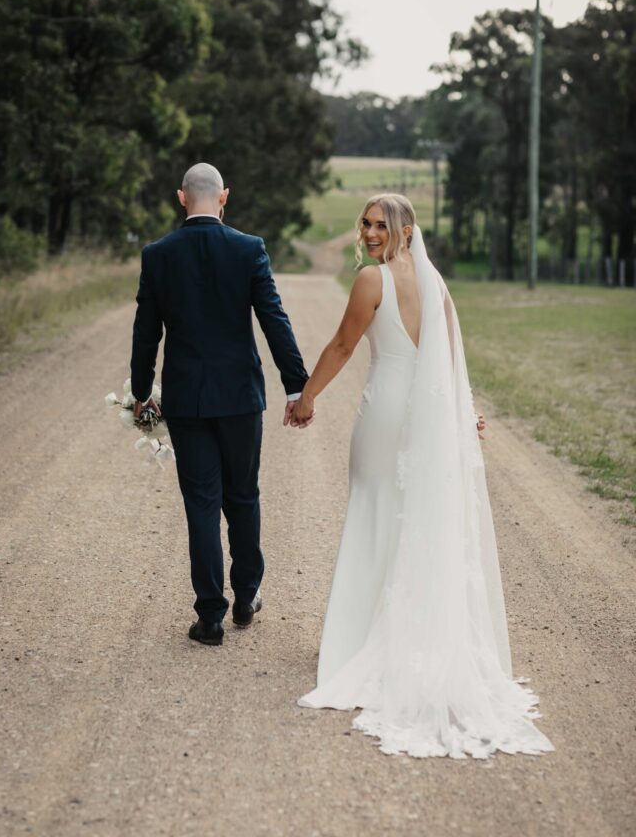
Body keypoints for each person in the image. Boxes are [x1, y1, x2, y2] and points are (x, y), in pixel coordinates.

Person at [290, 193, 554, 759]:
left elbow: (342, 345)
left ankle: (360, 641)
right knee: (411, 518)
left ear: (405, 231)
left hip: (387, 410)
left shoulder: (371, 281)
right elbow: (453, 359)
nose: (368, 232)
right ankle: (404, 633)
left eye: (379, 224)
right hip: (428, 415)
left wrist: (307, 396)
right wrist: (464, 411)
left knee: (373, 508)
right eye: (364, 223)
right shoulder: (437, 284)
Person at [130, 163, 311, 647]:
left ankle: (210, 615)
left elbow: (147, 329)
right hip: (239, 398)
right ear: (224, 197)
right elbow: (274, 318)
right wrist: (297, 386)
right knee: (243, 496)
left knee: (202, 505)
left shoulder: (158, 255)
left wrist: (141, 388)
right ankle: (246, 597)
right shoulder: (248, 249)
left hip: (188, 400)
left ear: (181, 198)